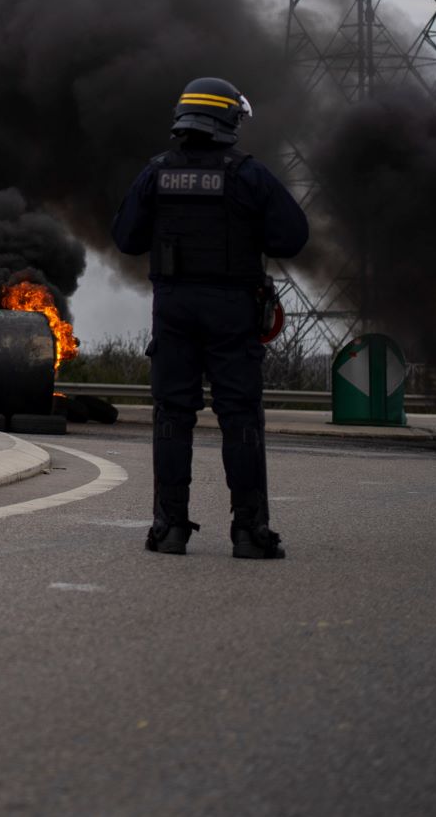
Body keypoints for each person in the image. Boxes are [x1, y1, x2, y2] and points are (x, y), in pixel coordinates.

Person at [110, 78, 308, 560]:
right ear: (226, 122)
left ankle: (169, 529)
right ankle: (249, 533)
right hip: (231, 310)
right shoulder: (247, 175)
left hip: (174, 310)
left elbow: (127, 239)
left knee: (172, 416)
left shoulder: (156, 173)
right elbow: (292, 237)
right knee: (240, 417)